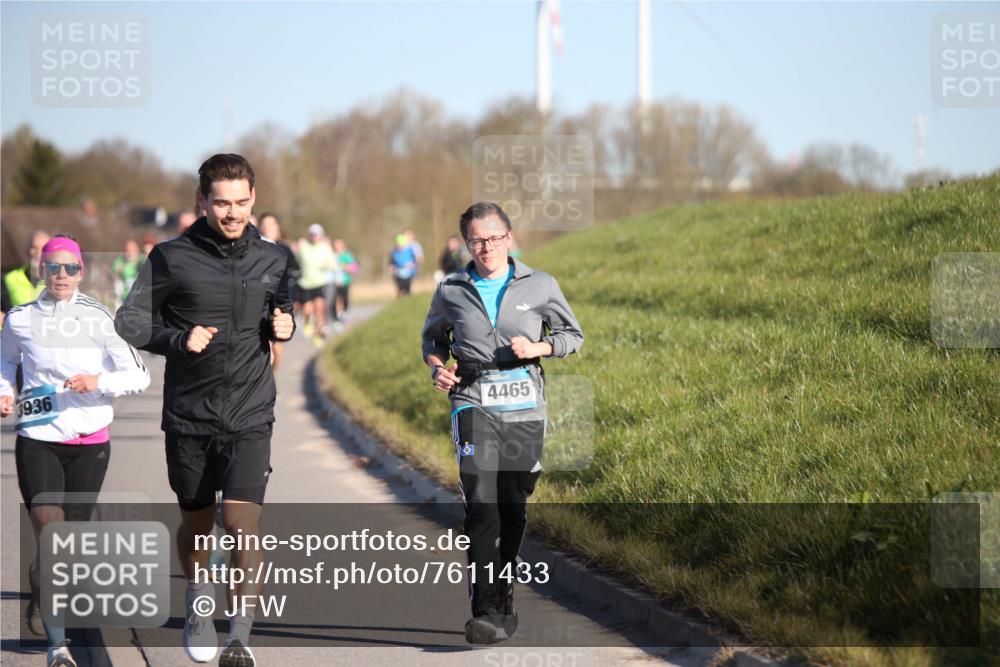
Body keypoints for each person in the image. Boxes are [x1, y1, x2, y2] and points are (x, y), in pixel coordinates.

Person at [114, 154, 294, 667]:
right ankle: (198, 602)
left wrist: (286, 328)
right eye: (221, 203)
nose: (232, 213)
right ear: (202, 201)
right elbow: (129, 322)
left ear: (254, 199)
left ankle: (239, 634)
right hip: (190, 415)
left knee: (241, 524)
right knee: (195, 524)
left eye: (241, 202)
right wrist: (177, 337)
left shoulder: (276, 258)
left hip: (251, 412)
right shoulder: (171, 257)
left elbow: (280, 315)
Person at [421, 202, 584, 644]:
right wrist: (438, 366)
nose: (486, 246)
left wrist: (540, 349)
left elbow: (573, 336)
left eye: (494, 238)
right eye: (477, 240)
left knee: (513, 505)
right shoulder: (451, 288)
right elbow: (433, 339)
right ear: (465, 243)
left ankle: (505, 588)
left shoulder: (541, 284)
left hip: (525, 404)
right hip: (472, 400)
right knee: (481, 500)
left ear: (509, 238)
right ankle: (484, 608)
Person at [1, 234, 150, 667]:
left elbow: (137, 375)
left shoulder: (100, 318)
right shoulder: (20, 319)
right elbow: (5, 360)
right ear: (40, 271)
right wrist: (5, 391)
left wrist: (96, 382)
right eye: (53, 267)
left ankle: (41, 585)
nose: (61, 275)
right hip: (37, 438)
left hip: (90, 441)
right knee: (51, 534)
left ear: (81, 272)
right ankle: (58, 647)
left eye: (70, 268)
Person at [258, 213, 300, 371]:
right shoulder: (253, 249)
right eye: (264, 225)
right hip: (260, 305)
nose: (267, 228)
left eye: (271, 225)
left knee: (276, 351)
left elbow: (295, 268)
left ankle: (270, 379)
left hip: (279, 302)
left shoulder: (283, 250)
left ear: (278, 229)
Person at [295, 224, 337, 347]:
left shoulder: (325, 247)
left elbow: (332, 264)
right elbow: (297, 261)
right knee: (307, 310)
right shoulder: (303, 246)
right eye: (312, 234)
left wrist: (327, 265)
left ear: (321, 235)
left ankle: (318, 336)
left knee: (319, 310)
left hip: (320, 283)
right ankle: (307, 322)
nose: (314, 236)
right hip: (305, 284)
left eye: (317, 234)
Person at [2, 230, 50, 326]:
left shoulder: (61, 282)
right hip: (16, 336)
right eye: (34, 248)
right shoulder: (9, 279)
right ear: (26, 250)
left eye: (43, 249)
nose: (38, 253)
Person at [331, 238, 358, 326]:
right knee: (335, 299)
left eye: (339, 244)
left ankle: (344, 312)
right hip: (334, 282)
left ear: (343, 246)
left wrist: (346, 267)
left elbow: (355, 268)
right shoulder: (332, 255)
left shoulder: (347, 255)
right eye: (336, 245)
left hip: (345, 281)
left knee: (344, 298)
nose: (337, 246)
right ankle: (338, 316)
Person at [111, 239, 144, 308]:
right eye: (127, 250)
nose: (129, 252)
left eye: (131, 250)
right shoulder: (121, 260)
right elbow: (114, 271)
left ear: (137, 249)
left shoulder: (142, 260)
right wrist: (119, 270)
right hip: (125, 297)